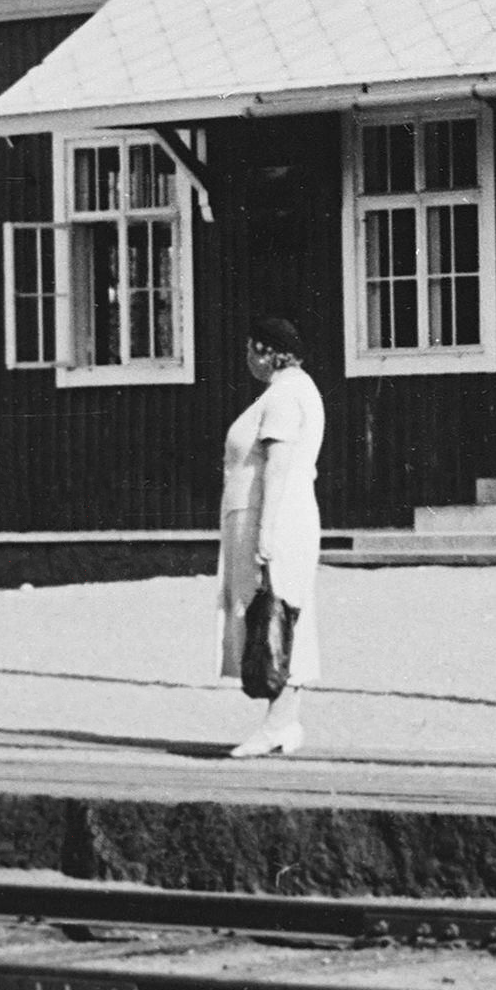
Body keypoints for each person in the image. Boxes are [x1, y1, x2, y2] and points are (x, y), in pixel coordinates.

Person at [216, 314, 326, 757]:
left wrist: (265, 533)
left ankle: (276, 724)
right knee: (279, 614)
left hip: (274, 518)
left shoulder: (284, 395)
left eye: (249, 349)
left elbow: (277, 466)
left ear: (266, 351)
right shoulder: (296, 390)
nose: (247, 358)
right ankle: (285, 721)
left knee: (274, 616)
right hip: (276, 516)